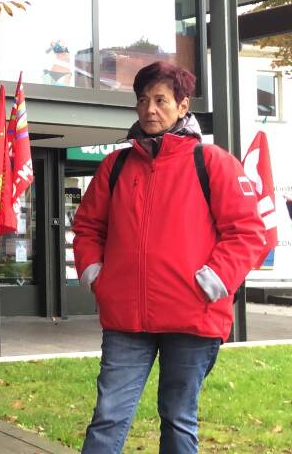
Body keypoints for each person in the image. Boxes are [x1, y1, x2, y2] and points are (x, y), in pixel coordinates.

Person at [73, 61, 266, 454]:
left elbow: (248, 232)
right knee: (107, 417)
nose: (149, 109)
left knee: (178, 419)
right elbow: (88, 228)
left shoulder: (211, 162)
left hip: (192, 317)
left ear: (182, 105)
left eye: (160, 100)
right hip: (127, 318)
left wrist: (212, 280)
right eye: (142, 100)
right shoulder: (116, 165)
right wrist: (96, 275)